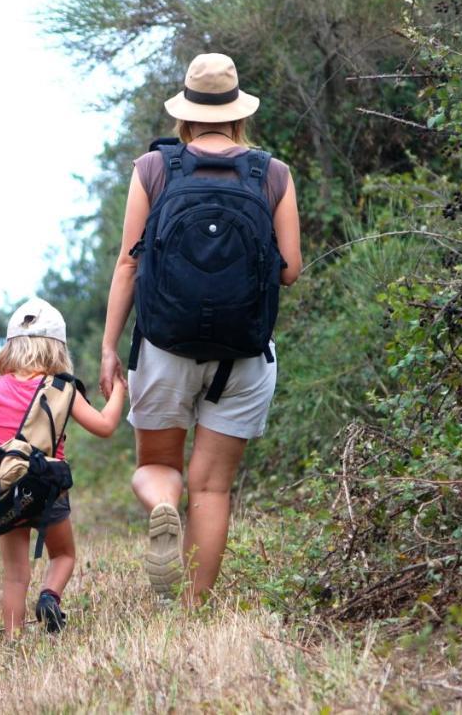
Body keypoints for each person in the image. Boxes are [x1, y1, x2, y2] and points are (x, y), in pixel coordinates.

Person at [98, 53, 302, 607]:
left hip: (165, 345)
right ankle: (193, 608)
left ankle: (163, 506)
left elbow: (128, 263)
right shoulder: (272, 173)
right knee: (212, 488)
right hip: (243, 353)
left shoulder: (154, 169)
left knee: (159, 465)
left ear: (185, 113)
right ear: (239, 112)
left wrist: (109, 346)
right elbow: (290, 269)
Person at [0, 298, 126, 636]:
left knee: (15, 573)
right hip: (49, 487)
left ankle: (12, 639)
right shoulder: (62, 390)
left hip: (7, 485)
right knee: (63, 555)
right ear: (58, 348)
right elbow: (106, 426)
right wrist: (120, 389)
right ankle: (50, 597)